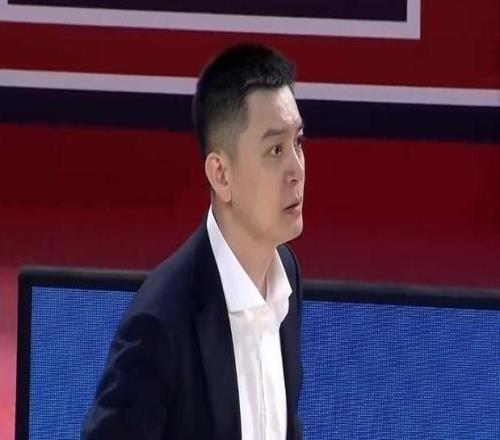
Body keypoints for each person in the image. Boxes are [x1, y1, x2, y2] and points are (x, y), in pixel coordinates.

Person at [81, 43, 305, 440]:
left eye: (298, 143)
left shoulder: (285, 275)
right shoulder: (160, 323)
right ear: (221, 175)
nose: (297, 169)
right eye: (275, 150)